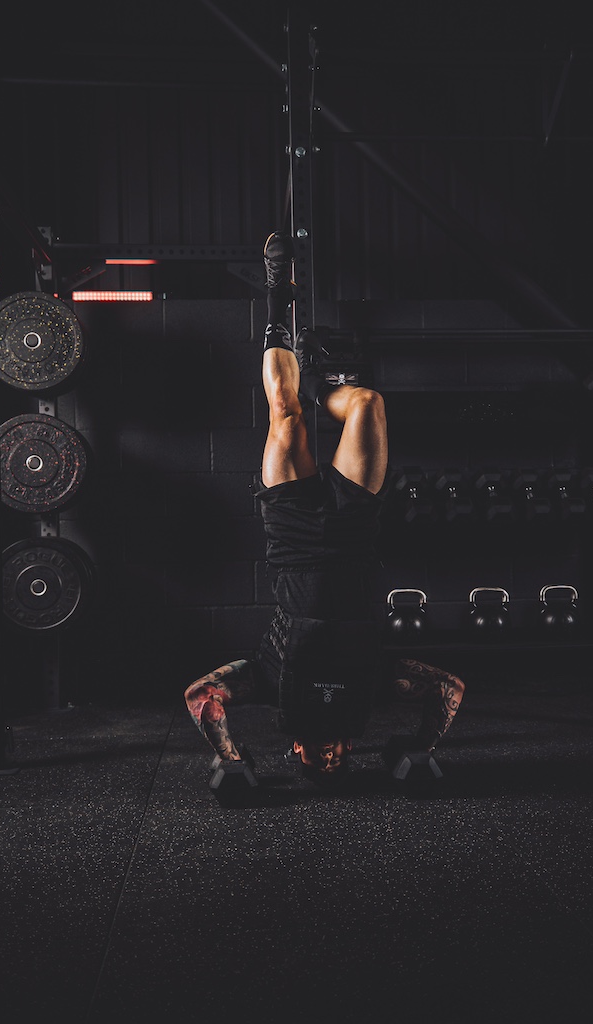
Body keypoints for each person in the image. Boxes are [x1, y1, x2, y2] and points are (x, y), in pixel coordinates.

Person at [184, 231, 465, 787]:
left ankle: (276, 295)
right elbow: (448, 688)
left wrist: (230, 756)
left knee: (285, 416)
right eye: (339, 761)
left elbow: (202, 694)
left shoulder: (268, 683)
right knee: (366, 402)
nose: (331, 758)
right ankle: (320, 378)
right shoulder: (371, 687)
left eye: (316, 761)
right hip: (355, 531)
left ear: (294, 748)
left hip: (292, 538)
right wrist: (421, 747)